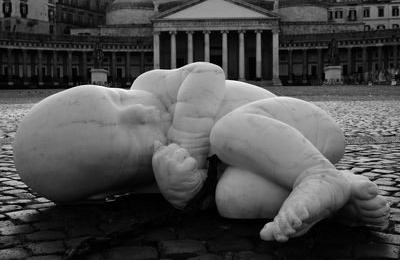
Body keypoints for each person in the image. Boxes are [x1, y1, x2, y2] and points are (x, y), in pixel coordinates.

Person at [13, 62, 390, 242]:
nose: (138, 111)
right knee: (233, 198)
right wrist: (182, 194)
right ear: (106, 191)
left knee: (227, 131)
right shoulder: (150, 176)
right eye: (127, 138)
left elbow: (207, 72)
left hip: (300, 126)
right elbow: (203, 196)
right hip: (273, 163)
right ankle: (337, 193)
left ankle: (316, 175)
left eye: (116, 98)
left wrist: (188, 140)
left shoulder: (154, 85)